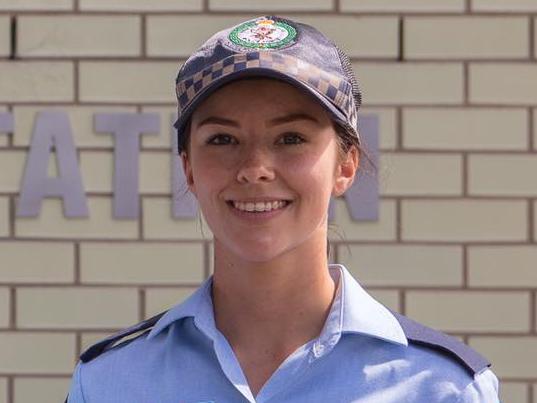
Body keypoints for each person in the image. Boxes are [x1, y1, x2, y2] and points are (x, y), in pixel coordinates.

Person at [65, 15, 501, 402]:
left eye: (291, 138)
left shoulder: (442, 387)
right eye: (222, 139)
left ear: (345, 166)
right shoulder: (108, 382)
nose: (254, 169)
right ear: (189, 170)